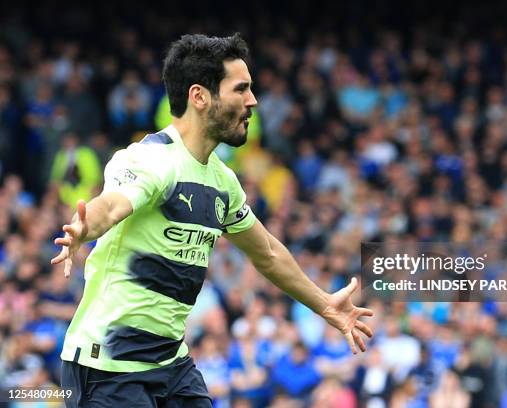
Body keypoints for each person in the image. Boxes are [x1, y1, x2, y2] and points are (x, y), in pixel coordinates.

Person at [51, 33, 374, 408]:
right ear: (200, 96)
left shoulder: (222, 181)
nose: (252, 101)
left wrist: (324, 304)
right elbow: (112, 205)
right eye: (241, 89)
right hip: (107, 367)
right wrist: (85, 228)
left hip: (170, 363)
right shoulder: (151, 160)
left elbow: (267, 251)